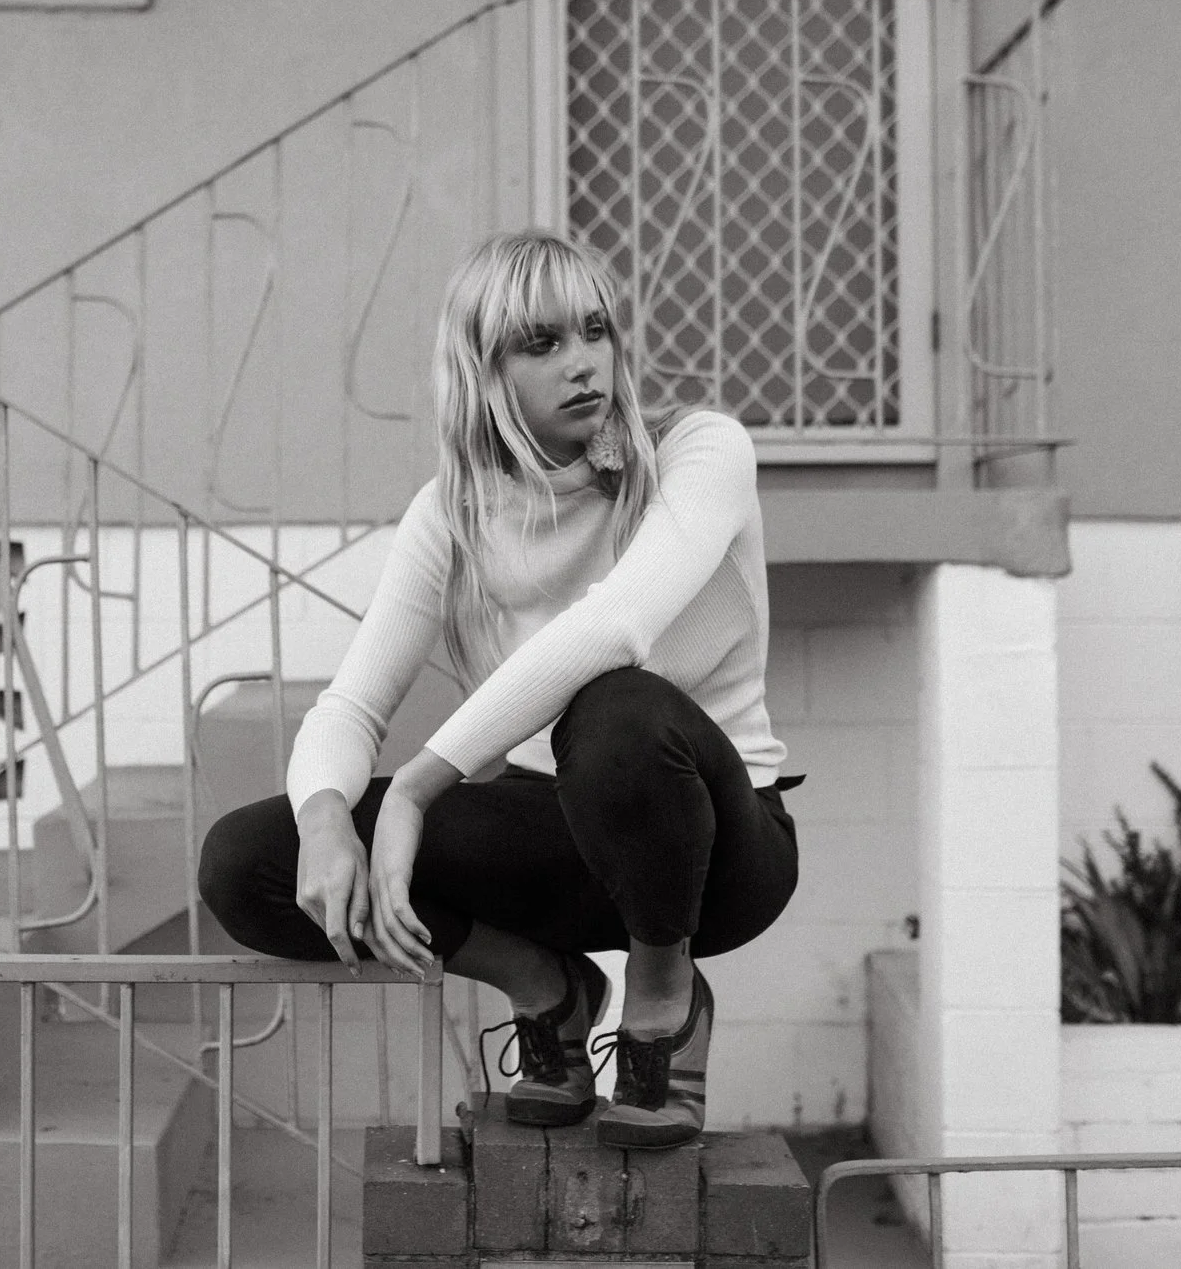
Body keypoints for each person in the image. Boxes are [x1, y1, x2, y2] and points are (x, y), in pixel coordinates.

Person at [196, 229, 799, 1148]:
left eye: (594, 330)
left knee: (615, 705)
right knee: (250, 861)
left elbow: (614, 627)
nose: (583, 363)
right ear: (485, 372)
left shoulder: (703, 451)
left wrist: (415, 786)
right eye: (542, 343)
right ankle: (544, 986)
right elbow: (351, 705)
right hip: (550, 840)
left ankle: (664, 996)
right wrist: (327, 820)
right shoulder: (452, 512)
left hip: (715, 846)